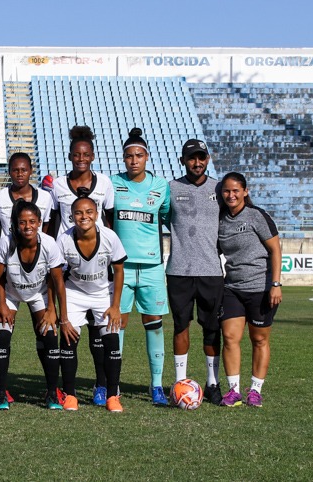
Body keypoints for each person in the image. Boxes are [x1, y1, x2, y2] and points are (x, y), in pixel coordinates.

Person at [49, 125, 115, 407]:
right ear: (69, 156)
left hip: (98, 264)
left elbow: (110, 222)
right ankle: (69, 390)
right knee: (70, 329)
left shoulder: (105, 183)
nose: (81, 159)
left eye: (86, 154)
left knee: (99, 332)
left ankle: (102, 386)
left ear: (92, 156)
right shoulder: (58, 186)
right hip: (69, 263)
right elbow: (53, 223)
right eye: (76, 154)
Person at [106, 127, 171, 406]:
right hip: (121, 266)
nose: (134, 160)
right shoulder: (112, 183)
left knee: (154, 325)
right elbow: (105, 216)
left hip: (153, 266)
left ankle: (156, 385)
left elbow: (166, 215)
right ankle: (113, 384)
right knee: (116, 324)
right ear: (123, 159)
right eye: (129, 156)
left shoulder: (161, 186)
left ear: (147, 157)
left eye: (139, 155)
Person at [0, 201, 68, 410]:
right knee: (2, 337)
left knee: (49, 337)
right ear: (16, 224)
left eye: (32, 221)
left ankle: (51, 393)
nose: (27, 226)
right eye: (22, 222)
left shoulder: (49, 244)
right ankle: (1, 393)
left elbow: (57, 281)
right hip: (10, 295)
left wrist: (54, 311)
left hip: (39, 294)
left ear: (39, 222)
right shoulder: (6, 243)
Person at [165, 139, 224, 405]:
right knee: (181, 326)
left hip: (211, 271)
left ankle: (213, 383)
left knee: (212, 329)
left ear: (208, 159)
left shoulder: (220, 189)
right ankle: (180, 382)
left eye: (201, 157)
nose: (196, 162)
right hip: (179, 271)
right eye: (191, 158)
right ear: (183, 161)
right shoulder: (171, 189)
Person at [218, 172, 282, 408]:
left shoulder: (257, 216)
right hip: (232, 287)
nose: (231, 195)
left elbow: (276, 250)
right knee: (230, 338)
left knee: (259, 339)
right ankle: (233, 390)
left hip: (261, 288)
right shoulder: (221, 220)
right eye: (227, 191)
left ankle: (255, 390)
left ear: (245, 191)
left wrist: (275, 284)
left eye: (236, 190)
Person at [56, 196, 126, 412]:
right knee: (68, 341)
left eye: (88, 212)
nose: (84, 216)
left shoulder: (109, 236)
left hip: (103, 294)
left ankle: (112, 395)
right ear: (71, 216)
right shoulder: (64, 239)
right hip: (74, 293)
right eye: (78, 213)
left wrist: (115, 307)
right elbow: (57, 277)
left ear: (96, 214)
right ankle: (70, 395)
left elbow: (119, 271)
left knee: (112, 342)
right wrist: (64, 317)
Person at [0, 152, 53, 239]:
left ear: (31, 171)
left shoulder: (45, 197)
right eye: (15, 170)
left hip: (36, 250)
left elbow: (46, 226)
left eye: (24, 170)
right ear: (9, 171)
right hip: (9, 249)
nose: (20, 174)